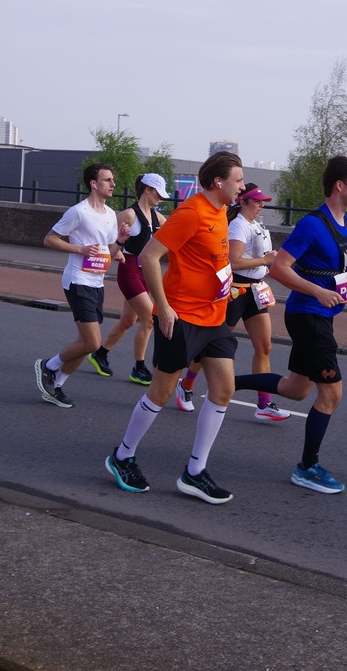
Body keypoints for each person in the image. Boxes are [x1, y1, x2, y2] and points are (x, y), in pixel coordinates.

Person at [225, 156, 347, 495]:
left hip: (320, 315)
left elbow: (329, 263)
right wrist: (318, 292)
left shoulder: (343, 221)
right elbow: (279, 268)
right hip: (308, 316)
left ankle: (229, 383)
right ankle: (307, 467)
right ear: (340, 185)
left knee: (296, 388)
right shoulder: (312, 223)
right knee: (332, 394)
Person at [104, 151, 246, 504]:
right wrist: (163, 308)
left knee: (223, 390)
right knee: (161, 392)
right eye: (238, 180)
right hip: (182, 317)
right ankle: (122, 455)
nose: (242, 187)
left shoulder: (222, 211)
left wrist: (226, 286)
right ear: (219, 182)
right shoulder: (191, 212)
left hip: (214, 318)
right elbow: (149, 256)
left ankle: (195, 472)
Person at [34, 163, 129, 408]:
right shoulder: (78, 212)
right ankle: (49, 366)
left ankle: (56, 386)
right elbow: (49, 239)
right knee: (93, 343)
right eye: (107, 180)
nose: (113, 184)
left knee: (85, 343)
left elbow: (107, 251)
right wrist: (80, 249)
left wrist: (119, 244)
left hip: (97, 283)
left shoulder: (110, 214)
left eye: (112, 180)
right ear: (94, 184)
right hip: (78, 280)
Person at [89, 173, 169, 386]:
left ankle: (100, 354)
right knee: (150, 319)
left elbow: (174, 235)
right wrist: (116, 251)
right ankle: (139, 368)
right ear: (147, 190)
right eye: (158, 193)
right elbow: (107, 239)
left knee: (128, 320)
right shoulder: (129, 215)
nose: (161, 198)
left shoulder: (158, 218)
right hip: (130, 271)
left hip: (147, 272)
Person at [225, 184, 290, 422]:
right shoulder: (238, 225)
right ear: (242, 202)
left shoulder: (257, 226)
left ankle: (263, 404)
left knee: (264, 347)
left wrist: (270, 262)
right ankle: (187, 384)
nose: (261, 205)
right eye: (257, 201)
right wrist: (265, 260)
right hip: (236, 291)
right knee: (215, 343)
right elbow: (233, 262)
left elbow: (262, 259)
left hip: (256, 290)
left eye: (263, 201)